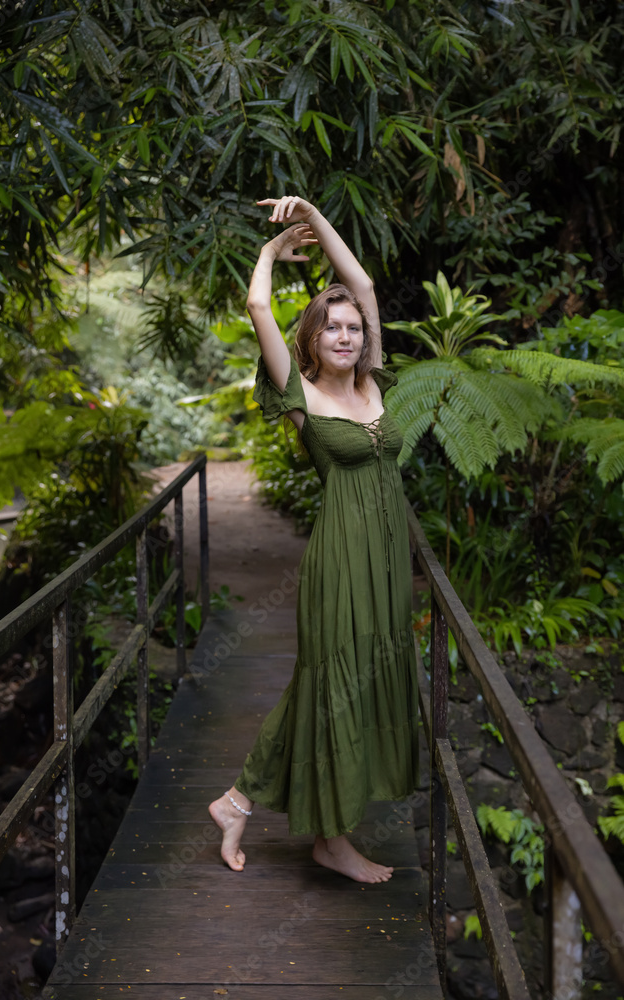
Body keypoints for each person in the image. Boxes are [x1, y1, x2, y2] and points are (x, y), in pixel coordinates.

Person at [209, 195, 418, 884]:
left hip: (387, 563)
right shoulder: (301, 394)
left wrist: (317, 217)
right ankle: (331, 841)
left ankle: (238, 802)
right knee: (335, 688)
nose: (346, 336)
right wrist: (271, 251)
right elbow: (258, 307)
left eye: (353, 329)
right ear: (312, 340)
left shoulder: (373, 384)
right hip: (340, 562)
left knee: (348, 682)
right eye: (332, 329)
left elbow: (362, 283)